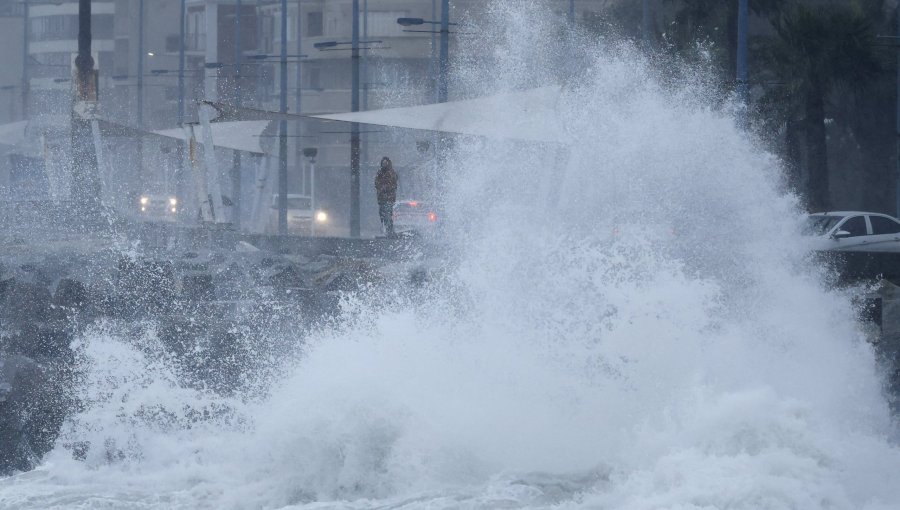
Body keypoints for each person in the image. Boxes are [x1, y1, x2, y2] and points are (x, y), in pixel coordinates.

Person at [375, 156, 398, 236]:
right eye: (383, 163)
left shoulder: (391, 173)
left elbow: (393, 185)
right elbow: (376, 183)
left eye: (385, 163)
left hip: (389, 198)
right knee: (382, 215)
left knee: (388, 215)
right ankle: (387, 230)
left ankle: (389, 231)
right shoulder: (379, 173)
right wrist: (381, 188)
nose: (384, 164)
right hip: (381, 199)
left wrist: (385, 187)